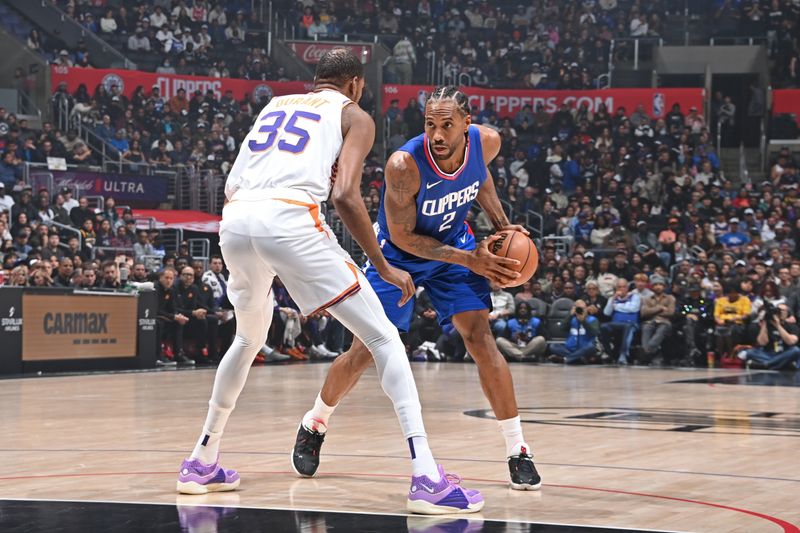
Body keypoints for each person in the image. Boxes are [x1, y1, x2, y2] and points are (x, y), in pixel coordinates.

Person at [177, 52, 483, 514]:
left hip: (236, 222)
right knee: (384, 337)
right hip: (289, 219)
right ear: (356, 85)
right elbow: (344, 195)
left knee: (246, 338)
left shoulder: (275, 105)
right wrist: (382, 265)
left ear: (316, 80)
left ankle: (201, 461)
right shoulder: (355, 116)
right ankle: (427, 479)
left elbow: (232, 185)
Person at [292, 85, 541, 492]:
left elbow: (480, 179)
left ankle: (518, 450)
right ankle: (315, 422)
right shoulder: (404, 165)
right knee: (364, 352)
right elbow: (404, 236)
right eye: (430, 125)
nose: (437, 135)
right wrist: (470, 260)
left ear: (467, 124)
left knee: (481, 339)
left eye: (447, 125)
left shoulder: (487, 143)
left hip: (453, 245)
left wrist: (502, 225)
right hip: (397, 256)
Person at [742, 302, 800, 370]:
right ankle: (780, 364)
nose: (780, 312)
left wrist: (778, 325)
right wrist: (765, 323)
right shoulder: (767, 326)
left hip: (784, 353)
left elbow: (791, 342)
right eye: (778, 310)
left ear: (788, 313)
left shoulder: (792, 326)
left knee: (796, 351)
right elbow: (762, 342)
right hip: (768, 353)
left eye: (783, 310)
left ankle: (765, 365)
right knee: (750, 353)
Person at [600, 278, 641, 365]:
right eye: (619, 287)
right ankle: (608, 353)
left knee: (628, 327)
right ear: (616, 288)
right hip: (616, 323)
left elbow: (633, 309)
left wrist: (617, 306)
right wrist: (613, 299)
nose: (622, 289)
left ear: (627, 287)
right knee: (603, 327)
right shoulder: (613, 298)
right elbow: (606, 313)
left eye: (624, 287)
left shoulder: (635, 296)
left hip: (631, 323)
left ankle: (623, 355)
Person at [548, 299, 600, 364]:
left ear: (586, 308)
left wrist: (583, 321)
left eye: (583, 308)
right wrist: (570, 315)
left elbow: (594, 333)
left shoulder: (593, 319)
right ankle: (577, 358)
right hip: (570, 348)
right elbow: (562, 328)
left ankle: (566, 359)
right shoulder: (572, 319)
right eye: (578, 309)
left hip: (585, 349)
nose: (581, 311)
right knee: (553, 346)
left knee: (591, 347)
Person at [639, 275, 675, 365]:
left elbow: (670, 313)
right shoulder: (647, 299)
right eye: (656, 284)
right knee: (646, 328)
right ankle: (650, 352)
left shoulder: (670, 298)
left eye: (660, 284)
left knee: (662, 328)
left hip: (664, 322)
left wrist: (652, 311)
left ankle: (647, 351)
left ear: (664, 286)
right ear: (652, 287)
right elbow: (643, 313)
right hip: (650, 322)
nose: (658, 286)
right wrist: (660, 308)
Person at [714, 282, 751, 361]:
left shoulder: (745, 300)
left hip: (737, 323)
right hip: (723, 323)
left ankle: (731, 353)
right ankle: (721, 356)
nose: (732, 294)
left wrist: (735, 319)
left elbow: (746, 315)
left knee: (730, 331)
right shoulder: (720, 301)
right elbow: (716, 315)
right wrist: (719, 321)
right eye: (730, 293)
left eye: (734, 292)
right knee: (719, 331)